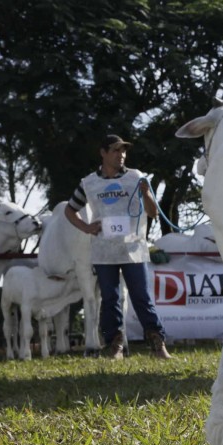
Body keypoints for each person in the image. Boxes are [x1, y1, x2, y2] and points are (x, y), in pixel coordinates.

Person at [65, 134, 171, 359]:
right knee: (110, 298)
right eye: (115, 150)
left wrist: (145, 193)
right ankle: (115, 346)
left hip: (134, 249)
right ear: (103, 153)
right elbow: (69, 210)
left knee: (141, 296)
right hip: (104, 251)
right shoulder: (89, 183)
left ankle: (158, 344)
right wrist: (85, 227)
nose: (121, 155)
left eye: (124, 151)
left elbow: (153, 212)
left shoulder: (136, 177)